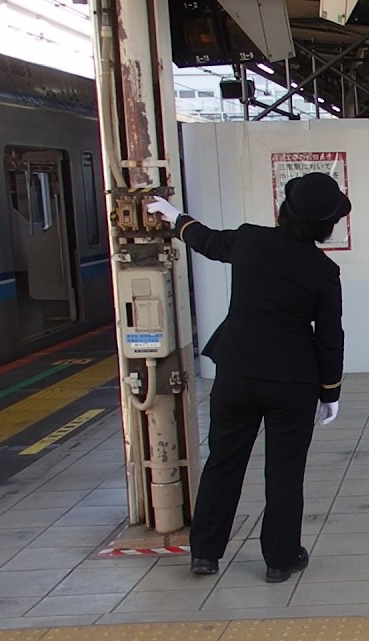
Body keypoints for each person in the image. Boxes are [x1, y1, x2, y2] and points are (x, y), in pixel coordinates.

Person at [146, 172, 349, 583]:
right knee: (284, 471)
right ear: (324, 226)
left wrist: (175, 218)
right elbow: (330, 337)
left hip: (237, 373)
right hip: (292, 382)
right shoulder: (322, 270)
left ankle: (205, 552)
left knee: (223, 462)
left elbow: (206, 241)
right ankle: (280, 558)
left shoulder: (250, 241)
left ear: (283, 209)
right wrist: (331, 391)